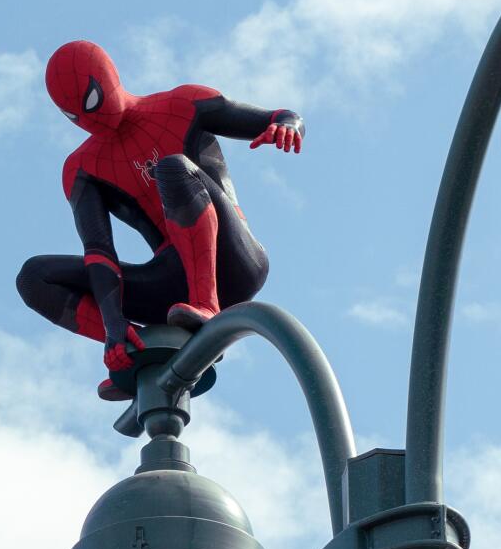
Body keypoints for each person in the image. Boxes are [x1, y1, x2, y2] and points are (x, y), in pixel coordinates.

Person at [17, 40, 305, 400]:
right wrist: (113, 327)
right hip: (170, 281)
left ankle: (207, 306)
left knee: (173, 168)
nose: (90, 120)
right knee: (33, 278)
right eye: (76, 117)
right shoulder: (81, 169)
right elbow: (99, 252)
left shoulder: (182, 104)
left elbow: (277, 116)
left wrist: (289, 125)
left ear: (107, 80)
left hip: (234, 259)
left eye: (92, 102)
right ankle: (143, 350)